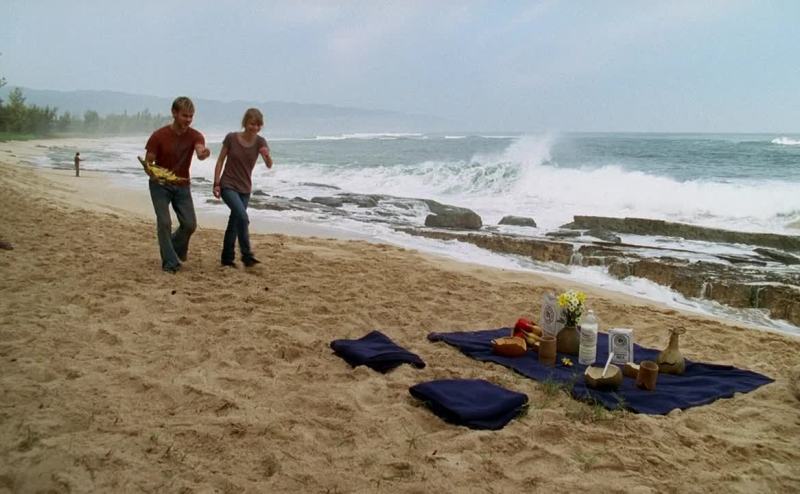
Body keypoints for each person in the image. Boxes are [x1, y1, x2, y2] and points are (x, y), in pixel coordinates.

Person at [143, 96, 211, 273]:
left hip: (182, 184)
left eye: (191, 116)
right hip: (160, 185)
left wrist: (203, 153)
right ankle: (170, 263)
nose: (188, 120)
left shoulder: (195, 135)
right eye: (184, 116)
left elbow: (199, 150)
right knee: (164, 222)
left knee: (190, 224)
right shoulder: (158, 136)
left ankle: (171, 246)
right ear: (174, 113)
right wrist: (153, 173)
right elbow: (148, 162)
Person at [213, 108, 273, 267]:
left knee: (234, 222)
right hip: (228, 185)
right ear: (245, 123)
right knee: (243, 218)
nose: (255, 127)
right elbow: (220, 161)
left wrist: (266, 155)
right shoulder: (231, 138)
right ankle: (247, 255)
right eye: (252, 124)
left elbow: (269, 165)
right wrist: (216, 183)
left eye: (258, 125)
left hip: (245, 189)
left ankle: (227, 259)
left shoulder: (260, 142)